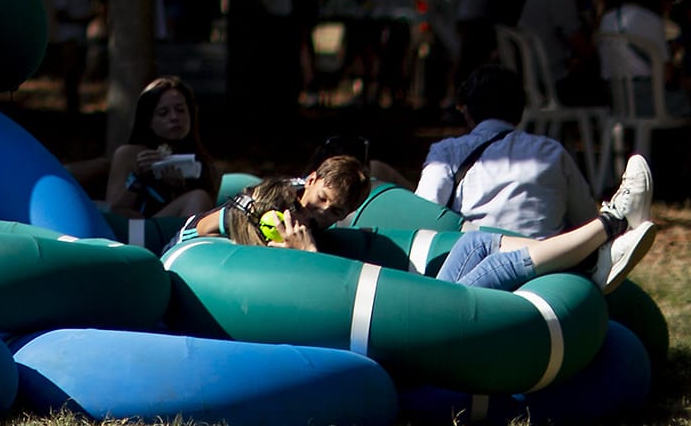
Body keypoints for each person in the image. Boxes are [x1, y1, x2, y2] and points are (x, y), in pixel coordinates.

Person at [416, 65, 598, 236]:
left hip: (474, 259)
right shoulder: (551, 152)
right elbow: (587, 221)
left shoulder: (447, 153)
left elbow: (424, 217)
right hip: (545, 261)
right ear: (520, 111)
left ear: (467, 112)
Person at [437, 153, 658, 293]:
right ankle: (614, 222)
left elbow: (428, 206)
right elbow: (584, 213)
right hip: (425, 327)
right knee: (489, 263)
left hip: (418, 307)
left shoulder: (447, 151)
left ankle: (592, 258)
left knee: (475, 242)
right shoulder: (552, 149)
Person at [188, 155, 373, 252]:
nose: (323, 211)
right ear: (310, 181)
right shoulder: (271, 201)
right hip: (189, 244)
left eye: (335, 211)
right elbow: (203, 227)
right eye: (322, 198)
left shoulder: (315, 225)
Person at [100, 75, 218, 224]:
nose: (174, 117)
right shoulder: (130, 155)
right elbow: (114, 213)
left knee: (199, 197)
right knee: (198, 197)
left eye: (181, 110)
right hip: (136, 233)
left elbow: (208, 216)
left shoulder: (203, 163)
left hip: (173, 232)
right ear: (148, 121)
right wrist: (139, 179)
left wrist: (177, 190)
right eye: (163, 113)